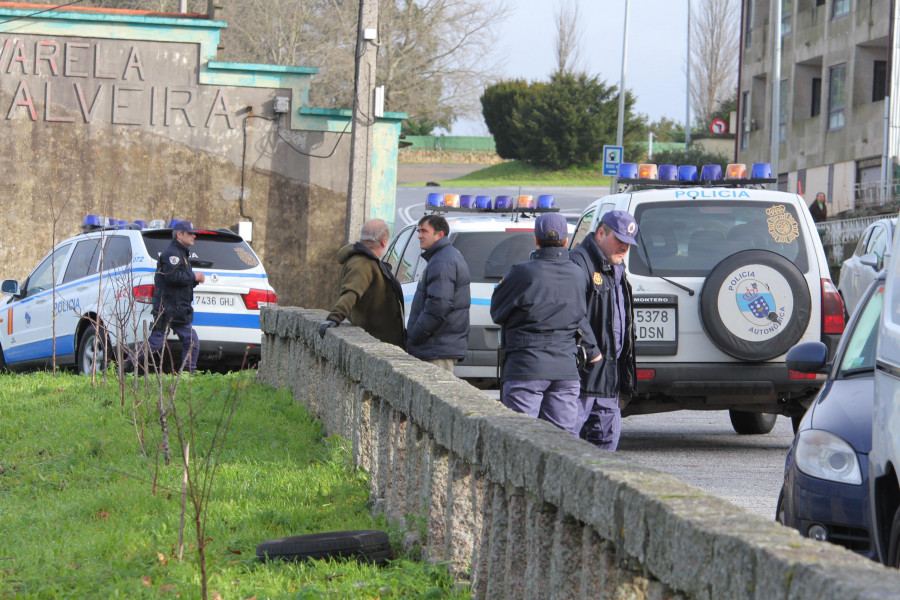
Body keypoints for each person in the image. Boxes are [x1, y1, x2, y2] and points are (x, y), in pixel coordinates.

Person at [490, 212, 599, 435]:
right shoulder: (578, 274)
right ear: (566, 241)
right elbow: (579, 315)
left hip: (526, 367)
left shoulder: (522, 272)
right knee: (563, 442)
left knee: (521, 438)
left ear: (536, 240)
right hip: (566, 369)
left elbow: (497, 312)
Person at [570, 210, 638, 451]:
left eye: (628, 244)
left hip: (610, 375)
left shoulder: (617, 267)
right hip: (585, 373)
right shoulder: (579, 261)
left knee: (606, 447)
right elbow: (572, 311)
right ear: (601, 233)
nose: (624, 248)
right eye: (619, 241)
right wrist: (592, 350)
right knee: (568, 445)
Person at [318, 219, 406, 348]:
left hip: (381, 340)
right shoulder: (363, 263)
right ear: (384, 241)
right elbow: (351, 292)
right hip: (375, 341)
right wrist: (334, 318)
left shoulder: (367, 261)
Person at [406, 214, 470, 372]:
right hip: (437, 346)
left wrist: (415, 335)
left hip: (436, 349)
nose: (419, 235)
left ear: (440, 234)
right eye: (418, 231)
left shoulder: (442, 261)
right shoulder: (443, 257)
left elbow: (439, 304)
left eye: (424, 231)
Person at [144, 220, 206, 373]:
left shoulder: (181, 254)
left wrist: (194, 281)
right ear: (179, 235)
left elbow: (180, 282)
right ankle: (126, 365)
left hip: (179, 308)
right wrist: (193, 276)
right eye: (190, 234)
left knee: (191, 341)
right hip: (167, 308)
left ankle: (187, 375)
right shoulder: (171, 253)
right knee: (156, 343)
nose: (194, 237)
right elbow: (172, 277)